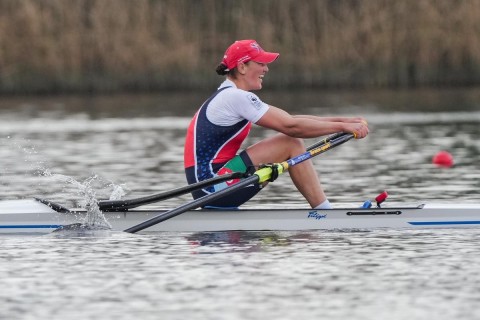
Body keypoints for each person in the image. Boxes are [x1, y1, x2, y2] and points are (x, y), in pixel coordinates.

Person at [184, 39, 369, 209]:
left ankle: (324, 212)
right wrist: (343, 128)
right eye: (261, 63)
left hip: (214, 182)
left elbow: (292, 120)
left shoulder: (229, 94)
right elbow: (292, 127)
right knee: (291, 142)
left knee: (290, 140)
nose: (266, 69)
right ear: (242, 67)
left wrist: (344, 121)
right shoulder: (235, 97)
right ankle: (325, 213)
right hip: (211, 188)